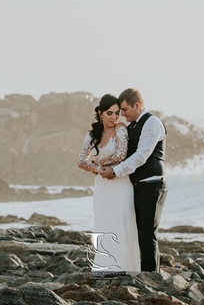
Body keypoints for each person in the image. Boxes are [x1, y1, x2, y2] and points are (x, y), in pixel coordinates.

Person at [98, 88, 167, 273]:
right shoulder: (131, 126)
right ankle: (141, 272)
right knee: (137, 233)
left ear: (137, 105)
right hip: (137, 185)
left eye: (124, 109)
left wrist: (115, 171)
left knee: (147, 234)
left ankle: (151, 277)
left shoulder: (152, 123)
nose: (122, 114)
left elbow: (141, 156)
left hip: (152, 183)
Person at [77, 94, 140, 275]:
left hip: (120, 185)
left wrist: (99, 162)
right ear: (100, 113)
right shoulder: (92, 135)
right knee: (104, 224)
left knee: (120, 224)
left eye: (117, 113)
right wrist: (98, 170)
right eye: (110, 113)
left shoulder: (121, 128)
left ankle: (125, 269)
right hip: (102, 186)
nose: (115, 117)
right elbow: (81, 161)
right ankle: (106, 268)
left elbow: (121, 154)